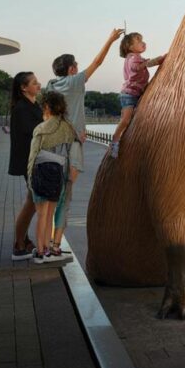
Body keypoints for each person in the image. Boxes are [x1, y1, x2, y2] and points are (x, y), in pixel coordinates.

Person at [45, 27, 123, 256]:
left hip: (51, 144)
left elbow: (48, 116)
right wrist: (111, 39)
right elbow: (98, 62)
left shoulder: (51, 85)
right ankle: (55, 244)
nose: (79, 68)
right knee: (65, 194)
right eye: (76, 65)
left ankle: (46, 242)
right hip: (72, 145)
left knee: (52, 195)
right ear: (71, 69)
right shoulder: (75, 82)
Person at [27, 91, 77, 264]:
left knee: (41, 215)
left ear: (47, 107)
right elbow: (70, 154)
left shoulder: (41, 129)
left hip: (41, 174)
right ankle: (48, 249)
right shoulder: (68, 128)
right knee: (49, 215)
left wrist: (30, 180)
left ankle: (40, 252)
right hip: (58, 176)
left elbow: (32, 156)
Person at [110, 31, 167, 157]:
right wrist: (158, 60)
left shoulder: (136, 58)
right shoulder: (132, 58)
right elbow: (137, 68)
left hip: (138, 93)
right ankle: (115, 140)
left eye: (142, 40)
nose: (143, 42)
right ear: (130, 47)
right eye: (139, 41)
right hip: (129, 95)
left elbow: (144, 65)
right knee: (126, 120)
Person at [8, 72, 42, 260]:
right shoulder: (22, 108)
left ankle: (24, 240)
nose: (38, 85)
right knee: (32, 202)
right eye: (34, 82)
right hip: (30, 161)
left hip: (35, 160)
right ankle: (19, 244)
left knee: (32, 201)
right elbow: (35, 132)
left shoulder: (33, 105)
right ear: (23, 87)